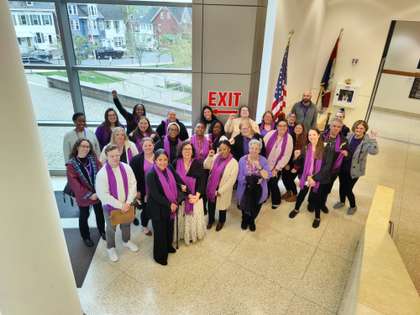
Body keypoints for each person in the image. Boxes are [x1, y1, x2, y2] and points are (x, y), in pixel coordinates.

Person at [96, 144, 139, 262]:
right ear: (106, 157)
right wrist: (121, 205)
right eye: (112, 156)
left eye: (117, 155)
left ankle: (126, 241)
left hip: (127, 203)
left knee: (126, 223)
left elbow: (133, 184)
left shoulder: (126, 167)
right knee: (111, 227)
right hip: (111, 207)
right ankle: (111, 247)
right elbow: (103, 195)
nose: (115, 158)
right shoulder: (102, 174)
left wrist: (129, 202)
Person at [146, 149, 186, 265]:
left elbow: (174, 181)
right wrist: (170, 204)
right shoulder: (151, 174)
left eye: (165, 159)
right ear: (155, 160)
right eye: (160, 160)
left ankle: (168, 247)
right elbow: (155, 194)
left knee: (169, 229)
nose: (162, 162)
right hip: (158, 207)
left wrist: (180, 185)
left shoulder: (169, 168)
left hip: (170, 206)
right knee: (160, 232)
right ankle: (159, 256)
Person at [288, 129, 334, 228]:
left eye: (314, 134)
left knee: (317, 198)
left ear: (318, 135)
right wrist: (296, 158)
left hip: (319, 178)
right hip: (306, 176)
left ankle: (317, 217)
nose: (311, 137)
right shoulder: (306, 147)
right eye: (309, 135)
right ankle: (296, 209)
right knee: (302, 194)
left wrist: (315, 178)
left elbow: (327, 166)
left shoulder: (327, 148)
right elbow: (300, 164)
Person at [333, 120, 378, 215]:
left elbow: (374, 152)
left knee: (348, 189)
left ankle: (353, 206)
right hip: (343, 167)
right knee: (342, 185)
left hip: (355, 170)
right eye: (357, 127)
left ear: (365, 130)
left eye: (361, 128)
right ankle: (342, 201)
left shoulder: (367, 141)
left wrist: (373, 139)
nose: (358, 130)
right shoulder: (349, 136)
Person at [66, 139, 105, 247]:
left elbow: (102, 173)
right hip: (83, 195)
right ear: (77, 147)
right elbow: (75, 184)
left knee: (100, 213)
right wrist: (89, 194)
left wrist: (100, 190)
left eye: (88, 147)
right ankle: (86, 236)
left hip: (97, 192)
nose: (85, 149)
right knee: (84, 216)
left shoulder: (93, 159)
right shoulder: (71, 164)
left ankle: (102, 231)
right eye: (83, 146)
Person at [174, 142, 206, 245]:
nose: (187, 151)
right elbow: (173, 180)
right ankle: (182, 234)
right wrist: (181, 188)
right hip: (181, 197)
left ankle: (192, 234)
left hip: (195, 196)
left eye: (189, 149)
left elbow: (202, 180)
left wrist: (197, 196)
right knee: (181, 216)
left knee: (193, 217)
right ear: (181, 151)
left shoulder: (198, 163)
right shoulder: (175, 162)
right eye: (185, 149)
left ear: (193, 151)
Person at [236, 139, 271, 231]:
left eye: (256, 148)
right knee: (244, 207)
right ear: (249, 149)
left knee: (255, 208)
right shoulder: (242, 160)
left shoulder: (263, 160)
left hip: (259, 190)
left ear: (259, 150)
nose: (254, 150)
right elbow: (239, 177)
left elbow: (267, 176)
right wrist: (248, 180)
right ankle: (244, 220)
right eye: (252, 148)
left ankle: (252, 220)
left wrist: (259, 167)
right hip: (245, 189)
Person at [204, 139, 239, 231]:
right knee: (211, 205)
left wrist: (221, 191)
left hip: (223, 189)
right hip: (212, 186)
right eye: (220, 149)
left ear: (229, 149)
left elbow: (232, 180)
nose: (222, 151)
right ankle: (211, 220)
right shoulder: (215, 157)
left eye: (225, 149)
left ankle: (221, 221)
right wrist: (209, 156)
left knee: (222, 207)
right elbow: (206, 165)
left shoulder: (234, 163)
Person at [319, 118, 348, 213]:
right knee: (316, 186)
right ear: (330, 126)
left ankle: (322, 204)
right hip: (319, 167)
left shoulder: (344, 140)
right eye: (334, 126)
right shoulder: (322, 136)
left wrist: (346, 153)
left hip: (333, 170)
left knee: (326, 188)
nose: (336, 128)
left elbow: (347, 153)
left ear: (341, 128)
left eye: (338, 127)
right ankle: (312, 202)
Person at [263, 120, 293, 209]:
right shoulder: (270, 134)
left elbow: (286, 155)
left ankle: (276, 201)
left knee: (273, 183)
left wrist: (276, 168)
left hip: (277, 165)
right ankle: (266, 195)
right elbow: (263, 147)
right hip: (266, 163)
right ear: (276, 126)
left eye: (284, 126)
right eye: (280, 125)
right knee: (265, 181)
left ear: (287, 127)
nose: (282, 127)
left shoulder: (289, 138)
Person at [129, 137, 155, 234]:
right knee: (146, 209)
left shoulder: (159, 156)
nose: (148, 147)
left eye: (150, 145)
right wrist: (138, 191)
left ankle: (155, 222)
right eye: (145, 145)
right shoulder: (136, 160)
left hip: (157, 189)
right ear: (141, 146)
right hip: (144, 189)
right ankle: (144, 225)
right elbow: (133, 178)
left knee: (156, 207)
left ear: (153, 145)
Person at [282, 123, 307, 202]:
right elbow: (286, 151)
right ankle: (289, 191)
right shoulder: (290, 137)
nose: (298, 129)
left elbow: (303, 156)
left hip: (297, 164)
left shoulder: (305, 140)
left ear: (303, 130)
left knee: (290, 179)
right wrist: (286, 163)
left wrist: (296, 167)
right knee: (284, 177)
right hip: (288, 162)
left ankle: (295, 194)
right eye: (297, 127)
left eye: (300, 128)